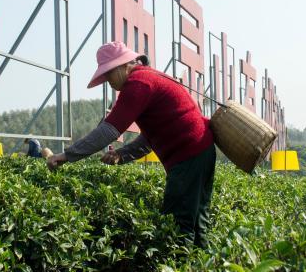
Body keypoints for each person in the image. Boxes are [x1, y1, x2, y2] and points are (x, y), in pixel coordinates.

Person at [47, 41, 216, 248]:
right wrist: (122, 154)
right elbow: (150, 138)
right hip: (202, 151)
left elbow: (109, 130)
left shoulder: (138, 83)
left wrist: (66, 155)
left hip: (188, 155)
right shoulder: (148, 77)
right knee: (198, 224)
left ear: (123, 65)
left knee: (178, 228)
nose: (107, 80)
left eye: (108, 73)